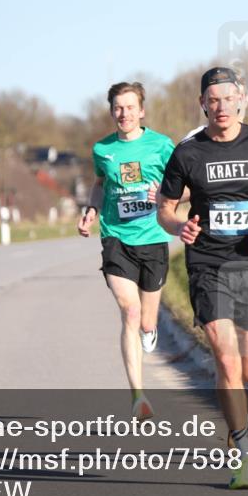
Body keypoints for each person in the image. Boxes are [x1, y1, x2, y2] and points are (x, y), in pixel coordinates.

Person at [157, 67, 248, 489]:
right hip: (207, 264)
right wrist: (177, 226)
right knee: (224, 357)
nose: (221, 106)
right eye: (213, 100)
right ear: (203, 104)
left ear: (243, 99)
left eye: (228, 98)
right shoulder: (188, 153)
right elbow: (165, 206)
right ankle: (242, 452)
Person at [78, 81, 174, 421]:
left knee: (147, 321)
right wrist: (91, 209)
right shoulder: (102, 150)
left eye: (130, 107)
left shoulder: (162, 146)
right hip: (116, 238)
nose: (124, 113)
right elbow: (100, 185)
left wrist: (163, 194)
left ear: (141, 110)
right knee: (129, 313)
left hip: (153, 238)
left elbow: (183, 187)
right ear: (112, 112)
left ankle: (151, 330)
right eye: (118, 108)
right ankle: (138, 395)